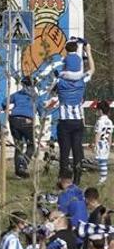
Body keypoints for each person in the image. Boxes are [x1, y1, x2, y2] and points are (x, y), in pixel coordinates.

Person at [53, 38, 95, 183]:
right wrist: (88, 52)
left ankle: (63, 179)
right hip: (78, 121)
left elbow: (52, 89)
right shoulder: (82, 81)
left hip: (64, 121)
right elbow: (92, 69)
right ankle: (77, 179)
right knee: (77, 150)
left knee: (65, 151)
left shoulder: (60, 81)